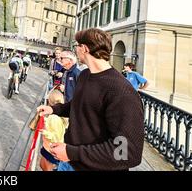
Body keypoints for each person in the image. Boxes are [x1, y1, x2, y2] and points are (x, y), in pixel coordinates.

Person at [37, 28, 144, 171]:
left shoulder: (121, 91)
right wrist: (54, 109)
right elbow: (79, 106)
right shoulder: (85, 75)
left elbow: (127, 152)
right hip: (69, 162)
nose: (75, 50)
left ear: (85, 49)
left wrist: (72, 152)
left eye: (77, 46)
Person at [40, 90, 68, 171]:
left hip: (51, 150)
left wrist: (45, 132)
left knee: (46, 168)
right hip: (49, 148)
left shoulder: (54, 118)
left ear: (49, 100)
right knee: (42, 165)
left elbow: (56, 136)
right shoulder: (54, 116)